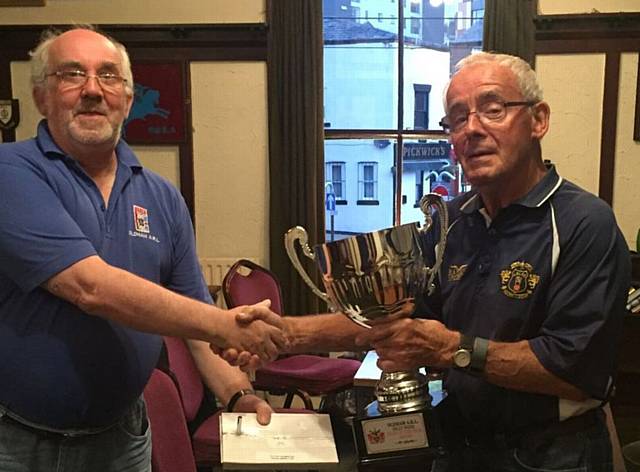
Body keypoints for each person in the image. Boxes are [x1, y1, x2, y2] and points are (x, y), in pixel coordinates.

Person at [229, 52, 631, 471]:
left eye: (493, 109)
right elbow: (391, 319)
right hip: (457, 445)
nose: (472, 129)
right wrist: (283, 333)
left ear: (538, 120)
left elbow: (572, 368)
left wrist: (451, 349)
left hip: (552, 456)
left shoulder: (584, 223)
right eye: (457, 119)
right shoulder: (451, 222)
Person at [0, 26, 281, 471]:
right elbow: (89, 287)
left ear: (128, 100)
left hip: (123, 438)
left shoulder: (162, 196)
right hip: (19, 443)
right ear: (41, 96)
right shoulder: (11, 172)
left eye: (109, 76)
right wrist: (226, 325)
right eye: (72, 74)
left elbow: (194, 319)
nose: (93, 89)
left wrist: (237, 393)